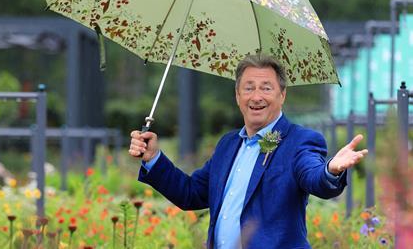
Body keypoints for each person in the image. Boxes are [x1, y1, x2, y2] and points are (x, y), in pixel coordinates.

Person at [129, 54, 368, 249]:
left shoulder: (299, 141)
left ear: (282, 95)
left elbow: (313, 175)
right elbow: (192, 193)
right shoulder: (228, 145)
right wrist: (153, 159)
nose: (256, 96)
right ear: (237, 96)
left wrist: (330, 170)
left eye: (266, 88)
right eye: (249, 88)